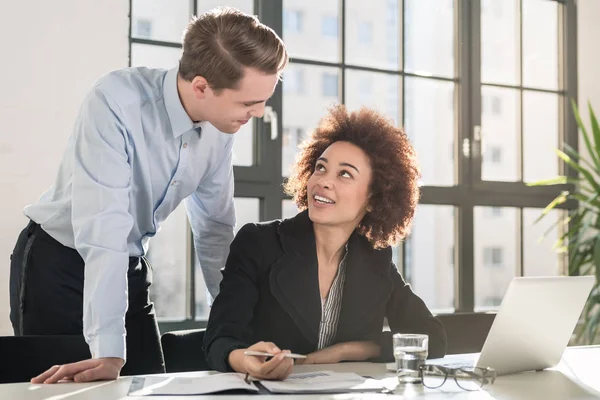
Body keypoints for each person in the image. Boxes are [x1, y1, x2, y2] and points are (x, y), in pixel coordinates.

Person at [8, 7, 288, 383]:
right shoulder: (116, 101)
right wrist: (108, 350)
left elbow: (215, 230)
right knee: (63, 390)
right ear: (202, 86)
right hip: (58, 263)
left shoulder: (222, 126)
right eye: (247, 103)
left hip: (129, 264)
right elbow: (104, 227)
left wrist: (237, 328)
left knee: (150, 385)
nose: (258, 113)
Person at [203, 105, 447, 381]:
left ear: (373, 198)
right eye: (320, 168)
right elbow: (219, 339)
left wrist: (350, 350)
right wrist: (246, 360)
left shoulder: (374, 258)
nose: (323, 182)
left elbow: (432, 336)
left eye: (345, 174)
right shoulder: (259, 243)